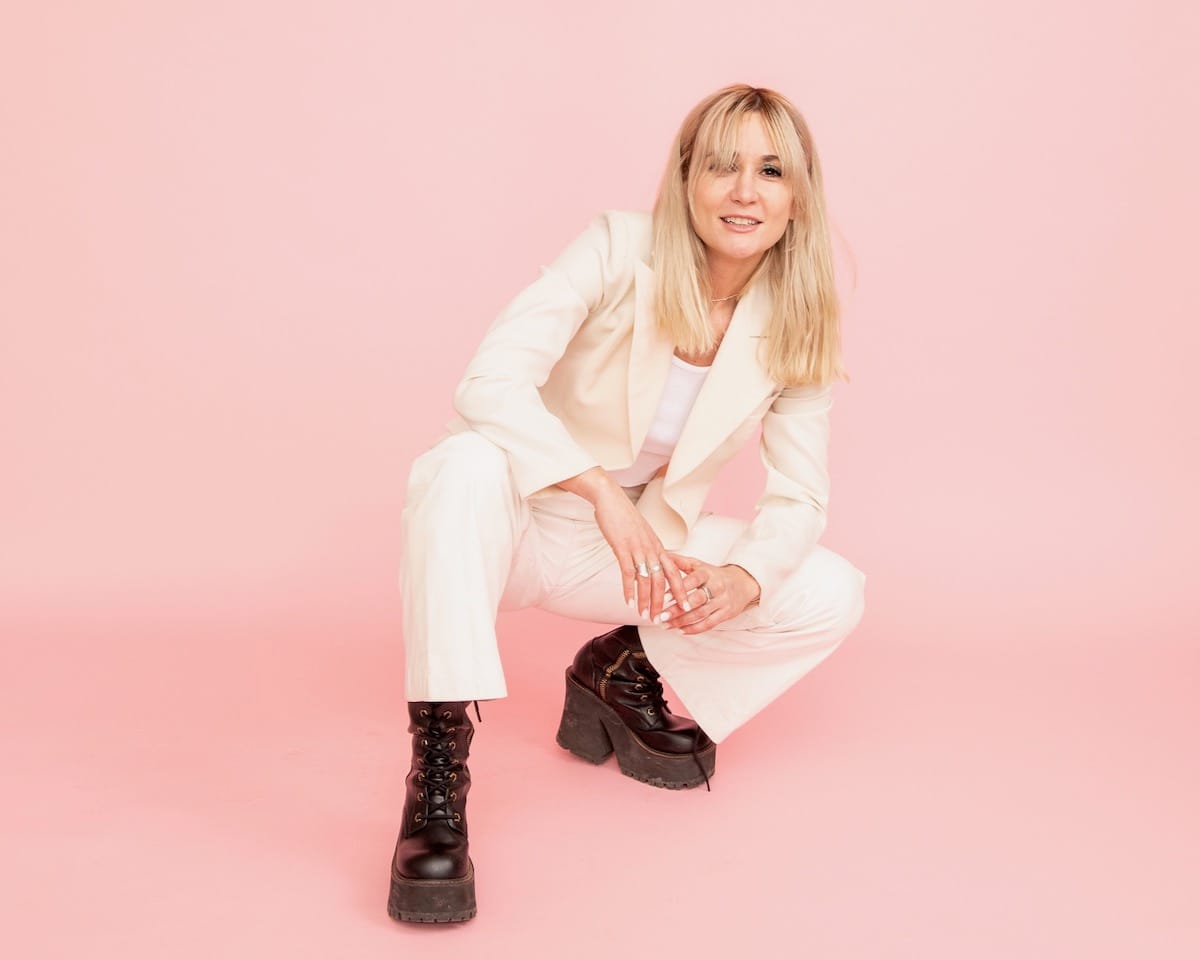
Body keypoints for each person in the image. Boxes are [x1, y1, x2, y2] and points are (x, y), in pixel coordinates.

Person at [387, 83, 866, 924]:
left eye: (770, 171)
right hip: (508, 522)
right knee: (459, 462)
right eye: (721, 166)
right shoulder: (616, 248)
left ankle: (622, 668)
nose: (744, 192)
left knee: (828, 588)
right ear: (687, 180)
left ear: (798, 197)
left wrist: (746, 580)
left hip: (626, 559)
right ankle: (438, 772)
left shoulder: (797, 319)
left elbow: (799, 498)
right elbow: (488, 382)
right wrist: (597, 488)